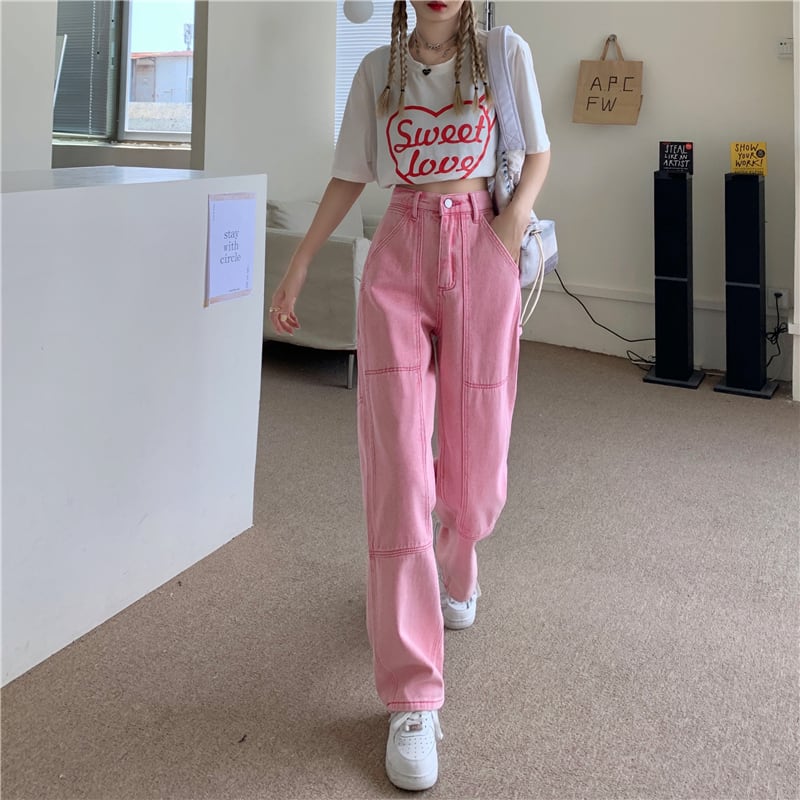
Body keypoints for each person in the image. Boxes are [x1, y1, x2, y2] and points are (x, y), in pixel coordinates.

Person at [269, 0, 550, 791]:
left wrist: (509, 225)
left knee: (477, 477)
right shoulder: (376, 70)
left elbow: (536, 154)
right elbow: (349, 174)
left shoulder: (504, 55)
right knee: (397, 472)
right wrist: (299, 264)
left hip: (481, 246)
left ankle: (461, 557)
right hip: (398, 252)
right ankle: (412, 696)